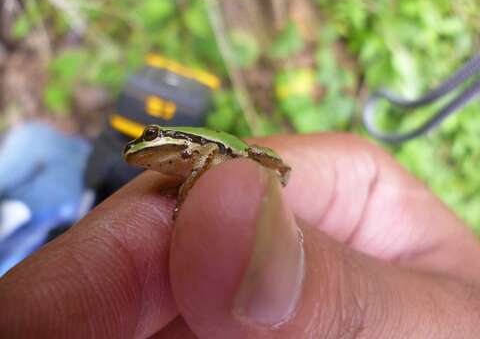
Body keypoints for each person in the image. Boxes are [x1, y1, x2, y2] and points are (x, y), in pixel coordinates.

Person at [1, 133, 479, 338]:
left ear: (165, 135)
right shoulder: (164, 162)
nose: (142, 146)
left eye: (148, 136)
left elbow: (210, 158)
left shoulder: (190, 146)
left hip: (232, 154)